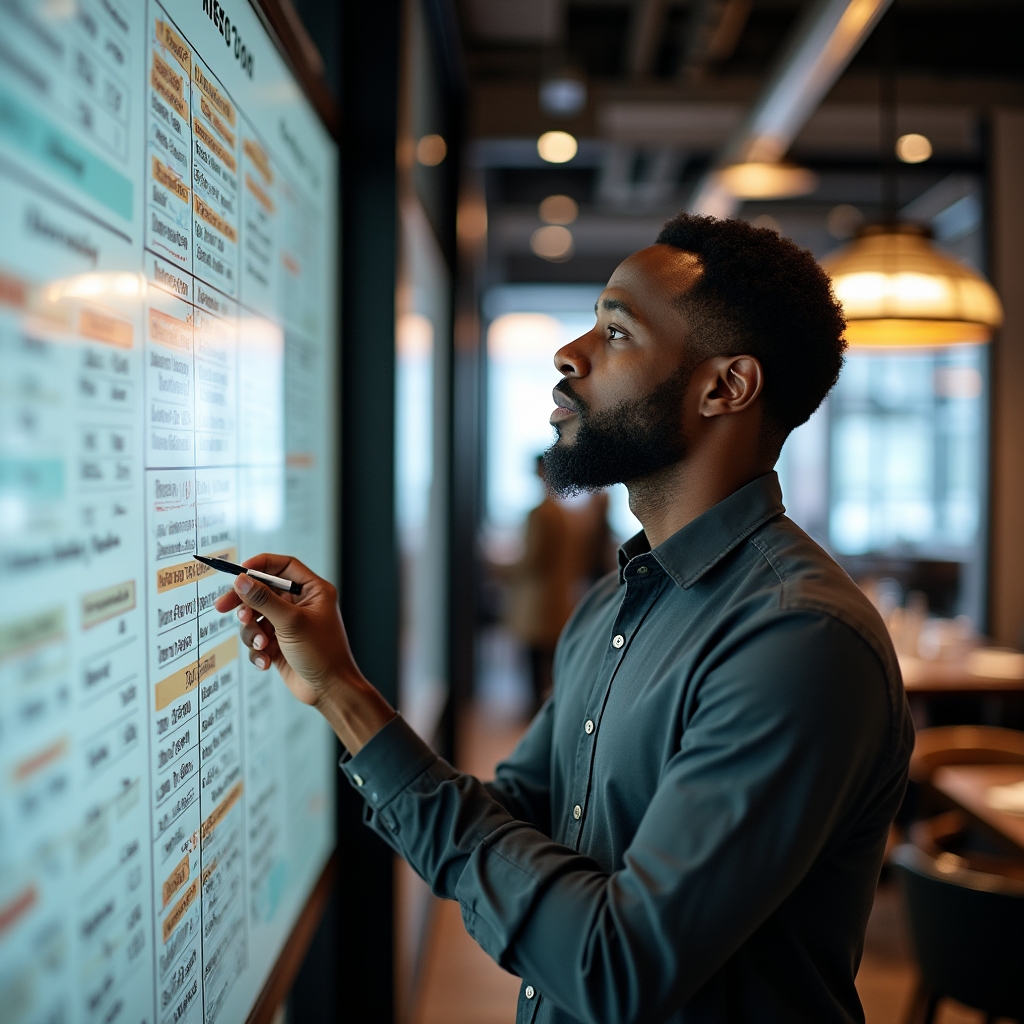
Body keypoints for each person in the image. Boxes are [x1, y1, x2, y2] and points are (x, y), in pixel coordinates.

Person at [217, 214, 914, 1024]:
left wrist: (348, 697)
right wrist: (337, 686)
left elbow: (615, 966)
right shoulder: (615, 602)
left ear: (725, 387)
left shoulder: (799, 640)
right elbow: (519, 813)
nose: (569, 354)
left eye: (615, 331)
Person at [507, 455, 578, 712]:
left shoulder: (542, 513)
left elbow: (532, 560)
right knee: (545, 662)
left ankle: (535, 712)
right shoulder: (561, 511)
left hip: (537, 600)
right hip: (555, 597)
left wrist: (502, 570)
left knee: (535, 662)